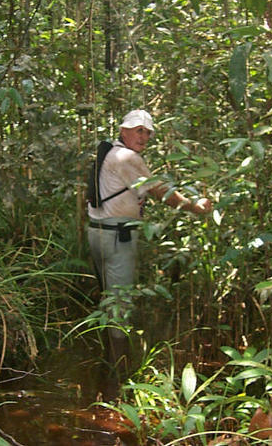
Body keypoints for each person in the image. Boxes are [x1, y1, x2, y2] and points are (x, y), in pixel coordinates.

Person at [86, 109, 213, 374]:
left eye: (147, 132)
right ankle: (117, 373)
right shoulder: (127, 157)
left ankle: (105, 364)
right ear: (123, 131)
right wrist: (196, 207)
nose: (143, 136)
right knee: (119, 305)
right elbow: (160, 191)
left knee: (109, 298)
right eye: (137, 130)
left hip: (97, 232)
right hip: (117, 236)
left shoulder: (109, 152)